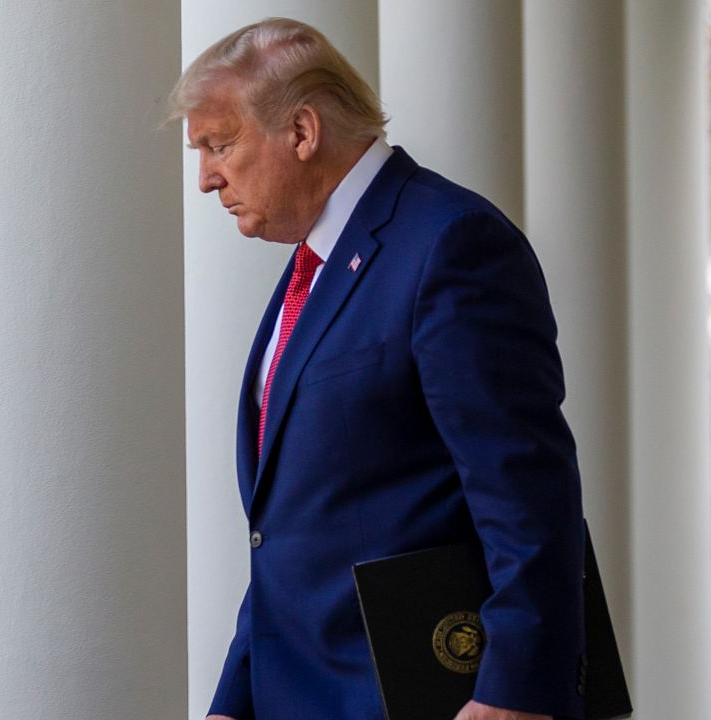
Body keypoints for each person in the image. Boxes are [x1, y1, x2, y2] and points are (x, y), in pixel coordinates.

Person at [169, 18, 585, 720]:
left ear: (302, 132)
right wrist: (233, 700)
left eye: (220, 143)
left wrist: (514, 693)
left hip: (431, 699)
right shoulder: (312, 269)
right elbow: (291, 529)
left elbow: (526, 490)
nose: (208, 178)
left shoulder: (452, 244)